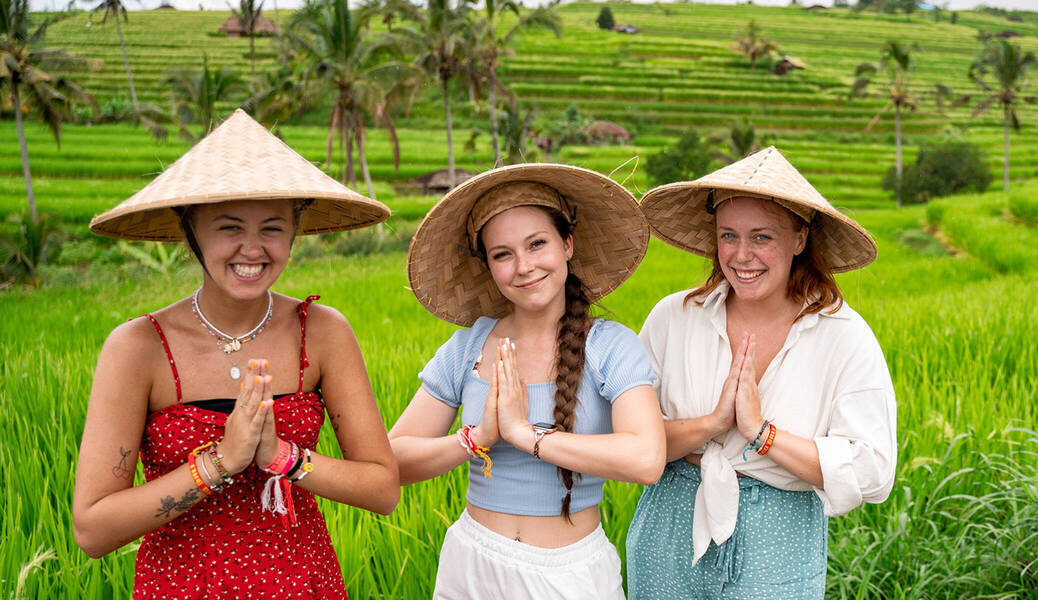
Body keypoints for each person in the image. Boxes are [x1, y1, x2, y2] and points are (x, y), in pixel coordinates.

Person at [73, 109, 400, 599]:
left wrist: (281, 455)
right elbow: (93, 530)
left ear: (294, 231)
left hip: (303, 583)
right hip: (181, 587)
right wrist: (221, 461)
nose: (252, 248)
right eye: (229, 228)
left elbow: (382, 489)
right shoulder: (139, 348)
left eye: (272, 228)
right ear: (191, 232)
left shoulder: (323, 332)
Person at [626, 147, 897, 599]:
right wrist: (711, 425)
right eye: (728, 235)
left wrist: (761, 433)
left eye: (762, 237)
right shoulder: (674, 317)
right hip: (669, 523)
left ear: (799, 238)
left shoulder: (842, 335)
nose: (742, 255)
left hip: (779, 536)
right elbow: (631, 440)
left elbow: (872, 469)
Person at [389, 163, 665, 599]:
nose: (524, 266)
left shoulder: (610, 347)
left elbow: (646, 458)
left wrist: (525, 435)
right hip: (471, 563)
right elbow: (394, 461)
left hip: (569, 574)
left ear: (567, 244)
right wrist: (476, 437)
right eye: (503, 254)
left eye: (537, 244)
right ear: (489, 266)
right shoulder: (469, 347)